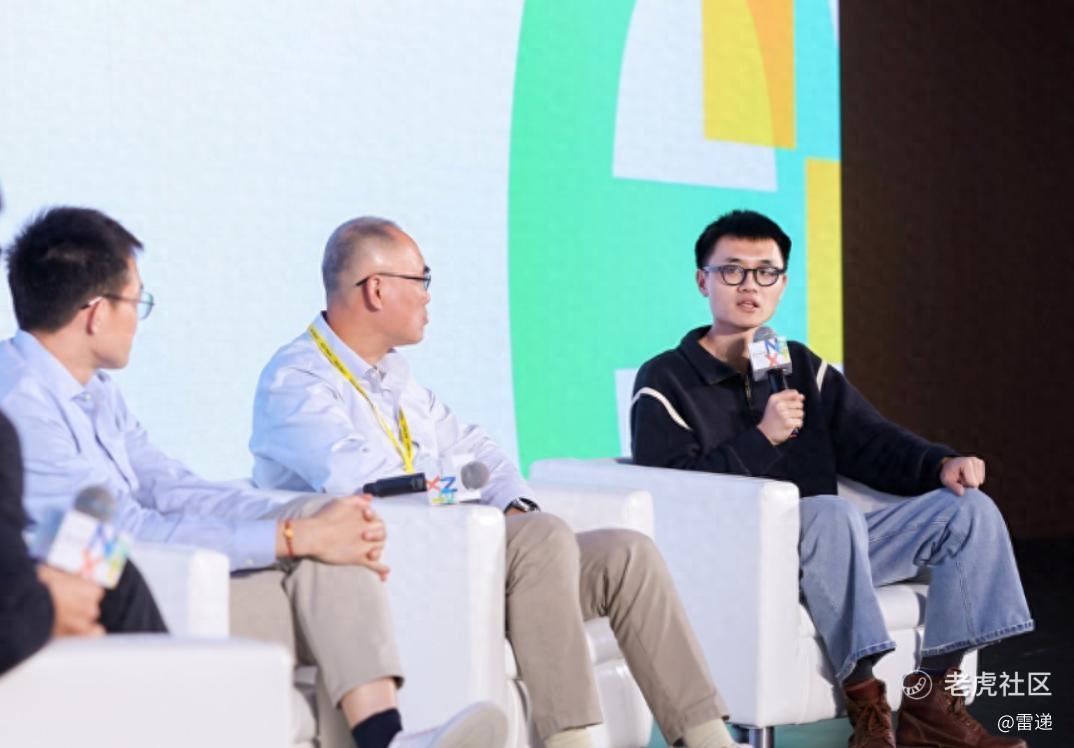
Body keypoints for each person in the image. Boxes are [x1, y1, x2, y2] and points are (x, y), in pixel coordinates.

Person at [0, 206, 504, 748]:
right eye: (136, 302)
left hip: (156, 573)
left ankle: (388, 739)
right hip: (118, 598)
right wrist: (289, 536)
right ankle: (387, 740)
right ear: (97, 313)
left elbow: (171, 487)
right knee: (329, 581)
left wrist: (297, 519)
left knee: (327, 534)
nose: (139, 320)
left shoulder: (96, 391)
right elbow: (123, 532)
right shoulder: (21, 405)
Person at [249, 216, 748, 748]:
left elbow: (481, 451)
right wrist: (469, 492)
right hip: (392, 574)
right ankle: (569, 741)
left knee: (626, 554)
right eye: (421, 280)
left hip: (459, 555)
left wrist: (510, 502)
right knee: (540, 536)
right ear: (376, 289)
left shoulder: (395, 377)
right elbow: (371, 485)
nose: (428, 297)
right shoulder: (296, 380)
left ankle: (707, 739)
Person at [630, 209, 1033, 748]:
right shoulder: (664, 379)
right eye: (732, 270)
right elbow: (674, 494)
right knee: (829, 510)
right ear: (703, 280)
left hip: (832, 547)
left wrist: (940, 463)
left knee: (968, 509)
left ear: (782, 284)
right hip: (741, 560)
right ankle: (866, 707)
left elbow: (871, 440)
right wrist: (763, 438)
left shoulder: (795, 363)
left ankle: (933, 704)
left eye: (765, 272)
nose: (749, 285)